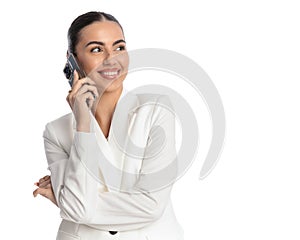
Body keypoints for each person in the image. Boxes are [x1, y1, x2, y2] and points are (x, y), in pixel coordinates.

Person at [33, 11, 184, 240]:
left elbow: (151, 206)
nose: (111, 59)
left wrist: (67, 202)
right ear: (71, 60)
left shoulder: (156, 110)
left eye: (119, 47)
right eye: (96, 49)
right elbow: (77, 207)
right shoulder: (56, 132)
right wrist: (83, 125)